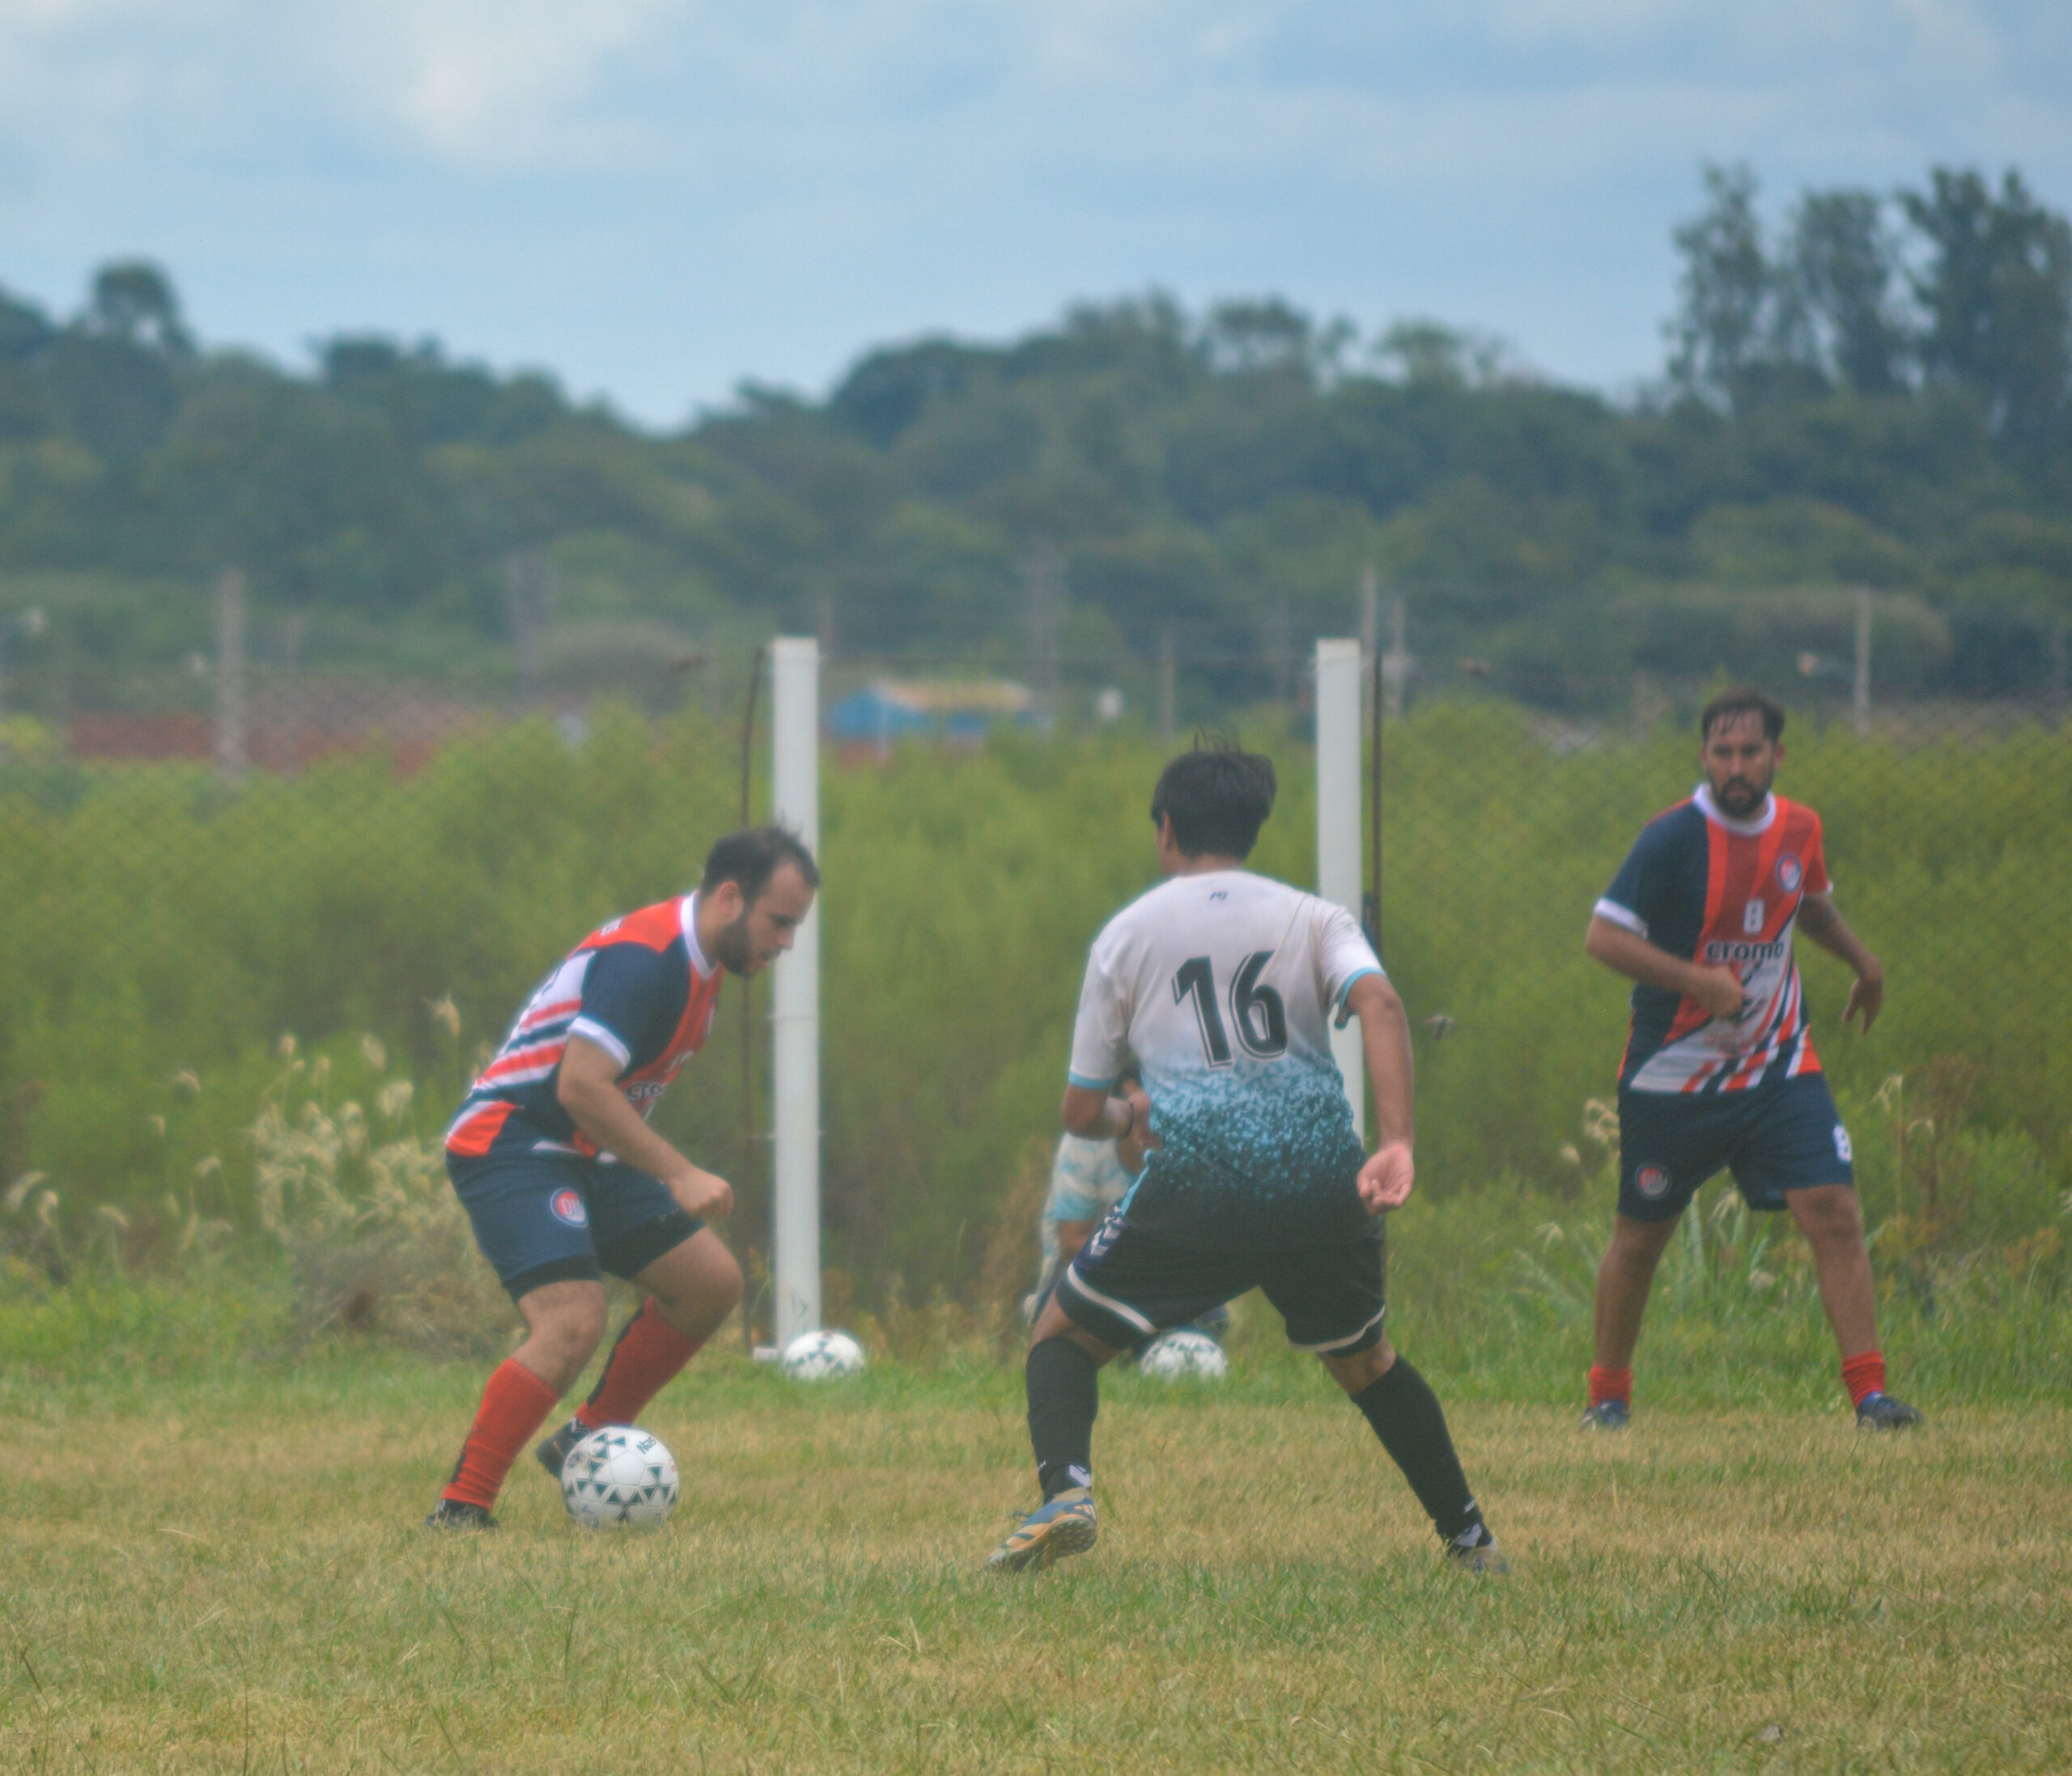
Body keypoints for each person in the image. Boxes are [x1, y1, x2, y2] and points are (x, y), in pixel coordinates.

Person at [985, 744, 1502, 1573]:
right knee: (1366, 1362)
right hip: (1318, 1184)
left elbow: (1080, 1111)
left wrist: (1129, 1113)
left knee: (1061, 1335)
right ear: (1252, 827)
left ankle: (1067, 1493)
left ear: (1166, 829)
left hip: (1196, 1191)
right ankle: (1470, 1538)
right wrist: (1397, 1141)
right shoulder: (1313, 917)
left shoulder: (1126, 935)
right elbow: (1379, 1001)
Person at [426, 826, 819, 1528]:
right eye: (780, 922)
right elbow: (581, 1085)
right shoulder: (646, 958)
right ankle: (463, 1507)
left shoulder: (703, 966)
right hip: (513, 1142)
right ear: (731, 898)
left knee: (710, 1284)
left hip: (587, 1149)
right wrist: (678, 1173)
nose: (787, 942)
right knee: (572, 1321)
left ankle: (587, 1438)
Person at [1580, 687, 1921, 1432]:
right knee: (1641, 1238)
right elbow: (1603, 938)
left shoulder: (1801, 828)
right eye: (1723, 752)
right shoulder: (1671, 838)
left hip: (1778, 1062)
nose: (1737, 766)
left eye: (1751, 752)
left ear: (1777, 755)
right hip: (1673, 1075)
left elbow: (1810, 905)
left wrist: (1865, 963)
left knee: (1834, 1210)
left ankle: (1871, 1398)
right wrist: (1696, 981)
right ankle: (1607, 1399)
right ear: (1704, 756)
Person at [1024, 1123, 1229, 1346]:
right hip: (1086, 1273)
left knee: (1211, 1318)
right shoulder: (1086, 1142)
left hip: (1158, 1278)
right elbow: (1070, 1245)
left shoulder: (1190, 1150)